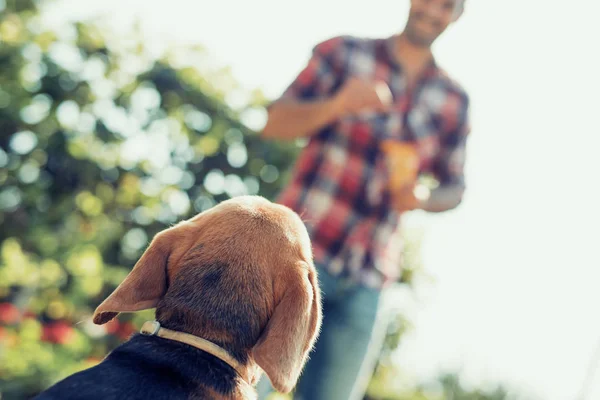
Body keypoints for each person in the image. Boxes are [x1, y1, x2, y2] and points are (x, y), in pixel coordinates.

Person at [258, 0, 471, 399]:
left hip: (367, 278)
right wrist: (337, 104)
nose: (433, 10)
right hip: (296, 255)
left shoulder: (454, 100)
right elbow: (274, 122)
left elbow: (456, 189)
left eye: (447, 5)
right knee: (243, 384)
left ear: (456, 14)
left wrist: (423, 197)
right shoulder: (343, 53)